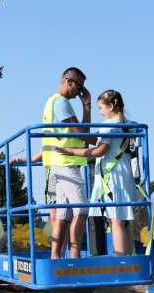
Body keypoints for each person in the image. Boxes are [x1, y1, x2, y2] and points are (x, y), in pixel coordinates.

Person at [56, 89, 136, 256]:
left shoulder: (109, 126)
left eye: (101, 108)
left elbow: (100, 150)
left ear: (111, 106)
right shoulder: (127, 124)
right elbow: (96, 140)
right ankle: (128, 259)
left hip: (112, 177)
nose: (100, 112)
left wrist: (72, 151)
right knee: (122, 220)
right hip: (124, 174)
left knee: (116, 220)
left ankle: (121, 261)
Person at [41, 67, 95, 259]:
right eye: (79, 86)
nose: (80, 91)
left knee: (63, 216)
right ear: (68, 81)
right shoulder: (61, 103)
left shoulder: (51, 102)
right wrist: (87, 107)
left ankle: (56, 258)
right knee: (81, 210)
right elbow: (83, 134)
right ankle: (74, 257)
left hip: (55, 165)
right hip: (65, 163)